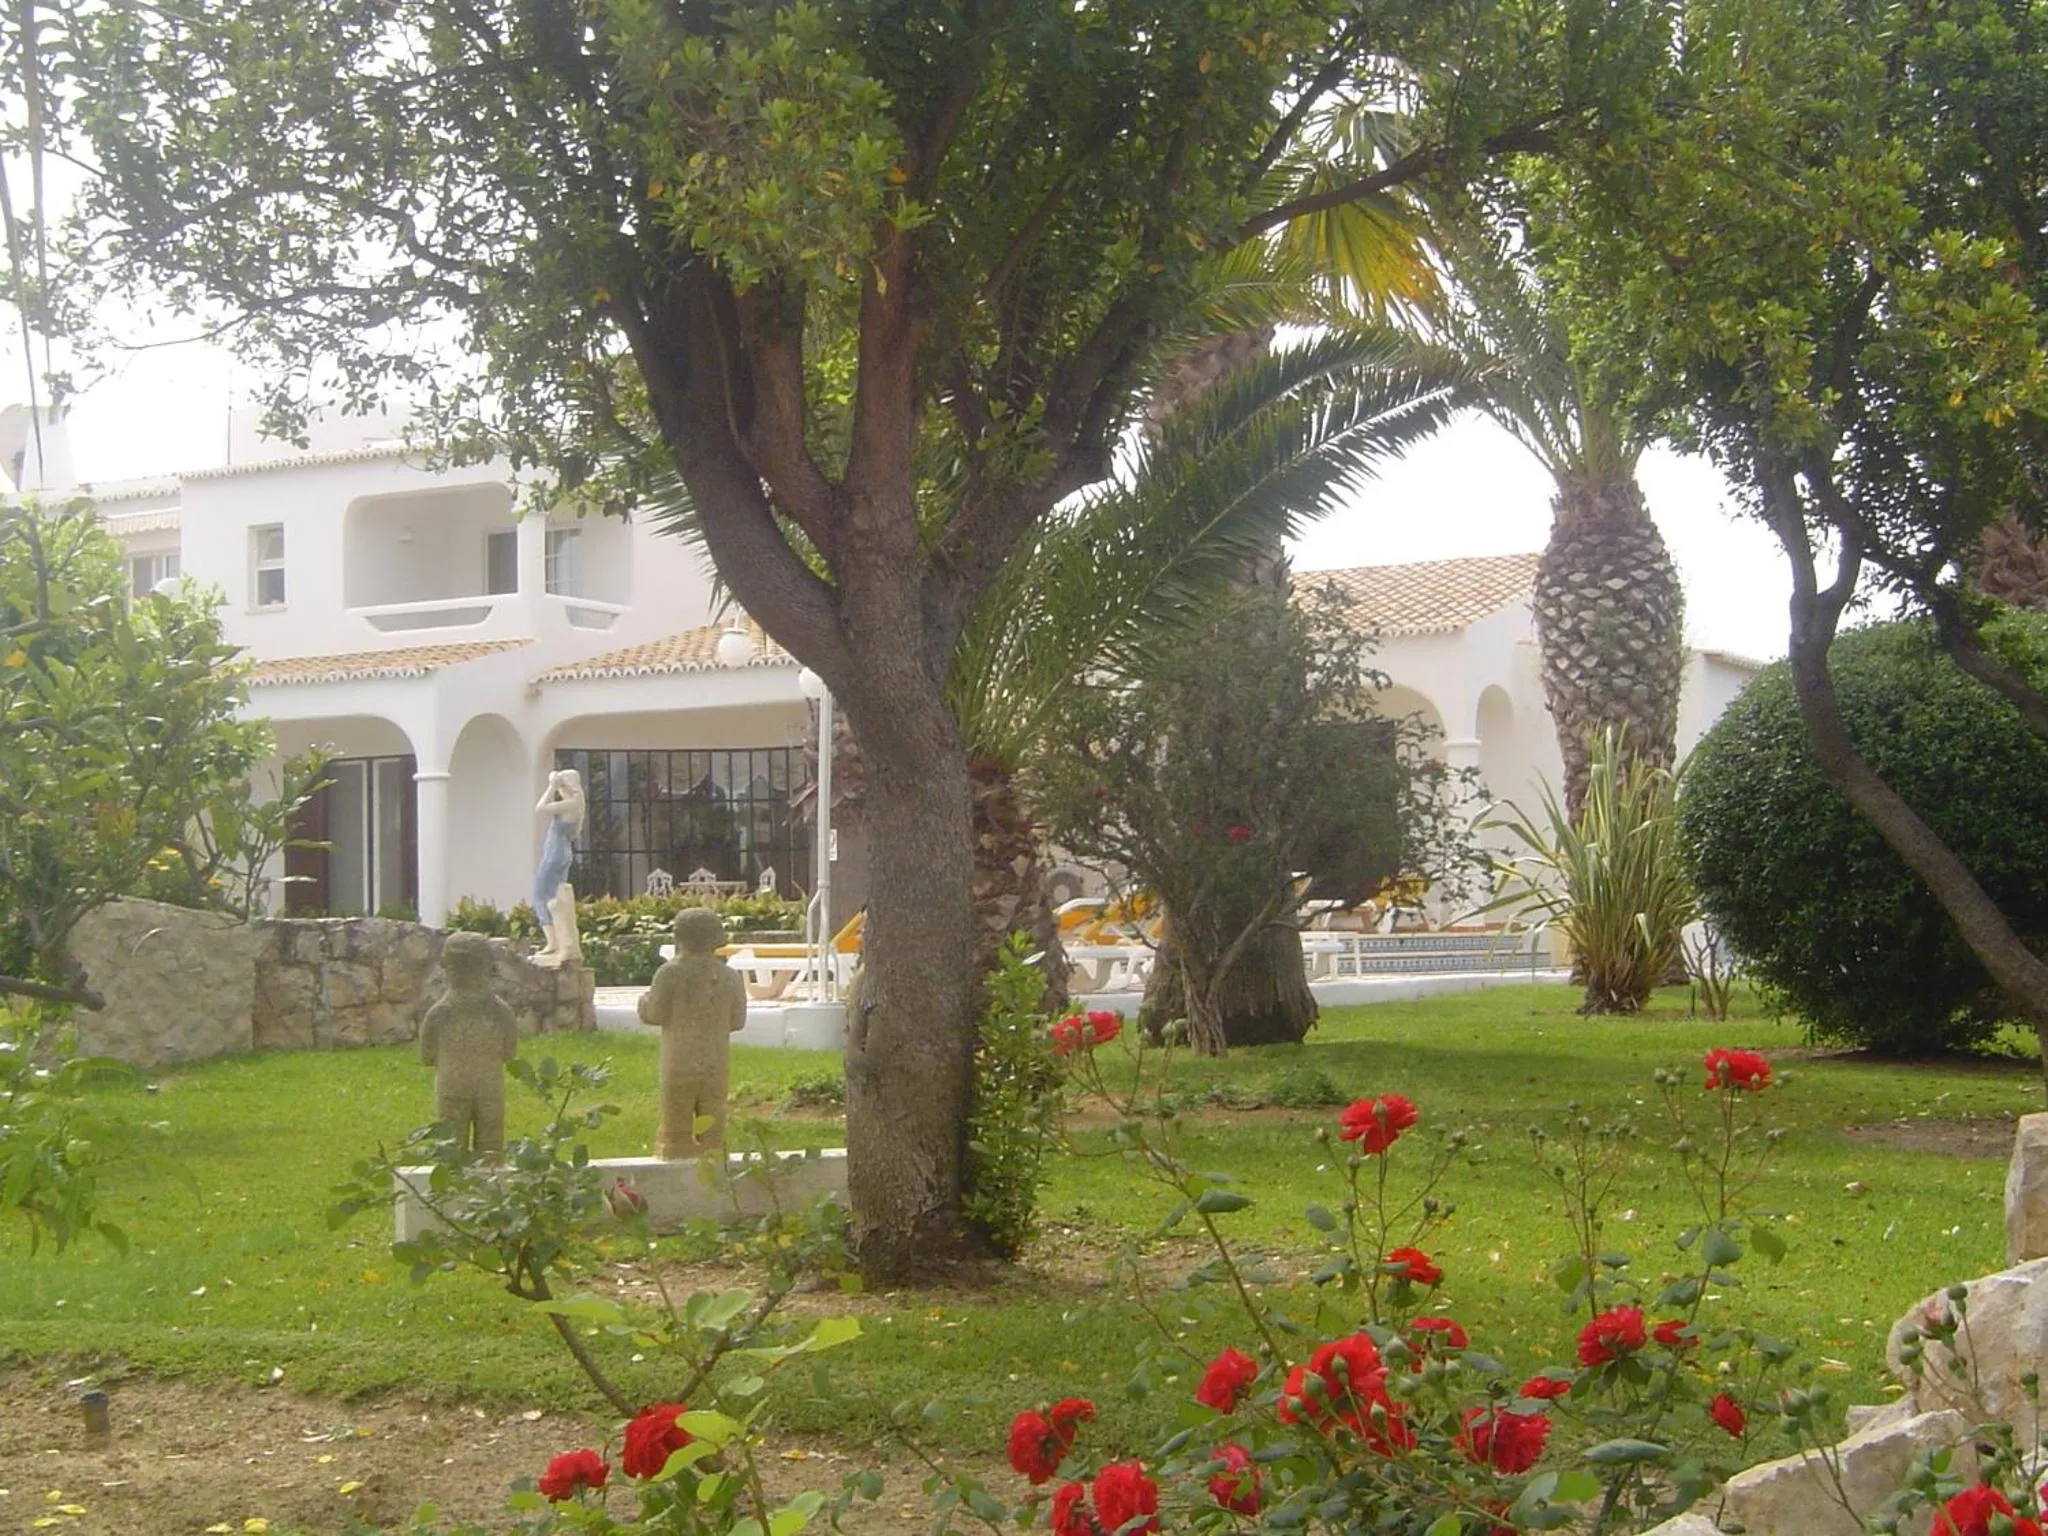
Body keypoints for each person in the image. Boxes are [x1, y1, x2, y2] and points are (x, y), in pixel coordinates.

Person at [640, 906, 747, 1158]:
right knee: (713, 1112)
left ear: (679, 937)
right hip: (716, 1059)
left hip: (679, 1059)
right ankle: (712, 1150)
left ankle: (675, 1149)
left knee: (676, 1116)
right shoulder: (729, 977)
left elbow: (655, 1013)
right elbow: (738, 1020)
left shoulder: (669, 973)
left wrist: (643, 1003)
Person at [419, 931, 520, 1153]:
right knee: (491, 1150)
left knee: (451, 1151)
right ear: (489, 967)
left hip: (451, 1086)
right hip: (489, 1088)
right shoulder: (502, 1013)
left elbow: (427, 1056)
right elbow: (509, 1053)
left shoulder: (438, 1014)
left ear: (445, 966)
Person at [531, 768, 586, 968]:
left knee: (540, 895)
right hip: (563, 853)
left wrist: (551, 786)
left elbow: (540, 808)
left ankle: (552, 941)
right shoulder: (577, 804)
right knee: (556, 898)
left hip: (554, 854)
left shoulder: (569, 805)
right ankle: (562, 940)